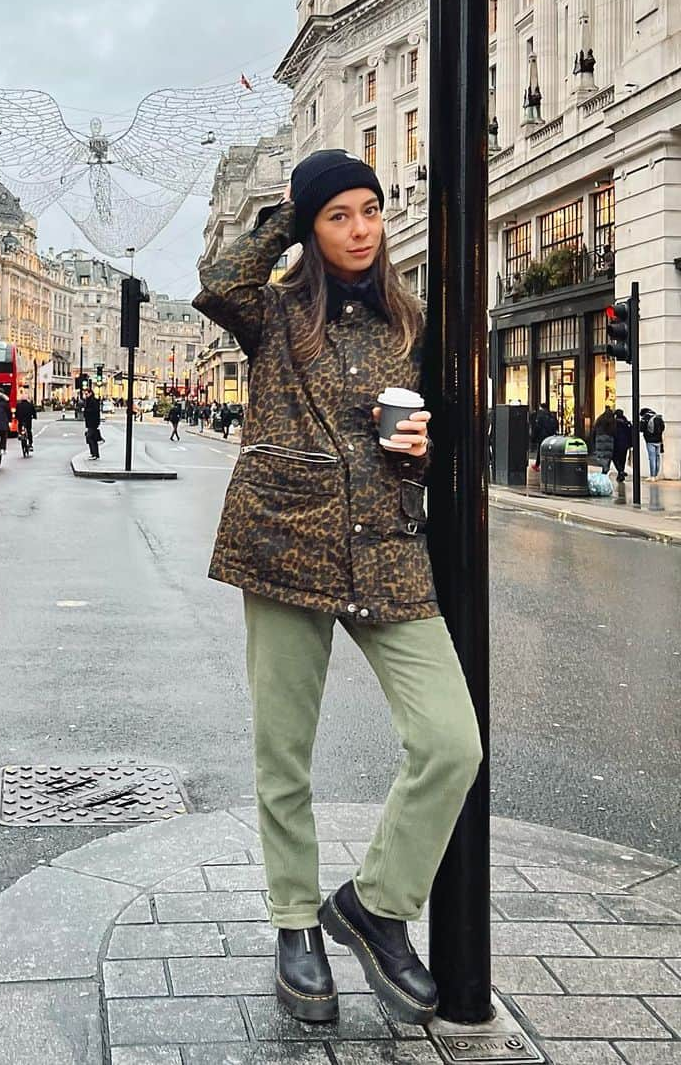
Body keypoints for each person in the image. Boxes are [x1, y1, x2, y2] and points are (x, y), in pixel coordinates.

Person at [194, 148, 481, 1028]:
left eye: (371, 211)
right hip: (284, 539)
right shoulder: (271, 312)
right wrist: (286, 210)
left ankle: (376, 904)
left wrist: (422, 448)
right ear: (314, 230)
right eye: (340, 215)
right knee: (285, 753)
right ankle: (294, 923)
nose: (361, 229)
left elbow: (430, 426)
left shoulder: (411, 319)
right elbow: (219, 274)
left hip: (387, 544)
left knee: (451, 742)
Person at [640, 407, 666, 479]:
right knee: (657, 457)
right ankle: (656, 475)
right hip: (658, 440)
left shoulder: (645, 418)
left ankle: (652, 476)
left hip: (650, 441)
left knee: (652, 458)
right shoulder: (658, 417)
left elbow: (641, 428)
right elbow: (663, 427)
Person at [532, 404, 559, 471]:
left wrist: (534, 437)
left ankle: (537, 465)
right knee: (550, 451)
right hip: (551, 436)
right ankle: (550, 465)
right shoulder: (552, 416)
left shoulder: (540, 416)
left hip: (542, 436)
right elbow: (556, 426)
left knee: (540, 450)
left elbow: (537, 428)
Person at [592, 406, 616, 477]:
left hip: (599, 438)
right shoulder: (612, 421)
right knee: (608, 456)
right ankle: (605, 469)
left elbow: (594, 430)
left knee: (601, 455)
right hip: (609, 439)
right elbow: (614, 431)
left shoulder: (600, 419)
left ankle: (603, 468)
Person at [612, 408, 633, 482]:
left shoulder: (614, 423)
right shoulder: (627, 422)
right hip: (625, 444)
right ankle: (621, 472)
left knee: (615, 458)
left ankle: (620, 471)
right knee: (622, 459)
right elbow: (630, 434)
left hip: (616, 444)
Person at [82, 389, 102, 459]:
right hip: (90, 422)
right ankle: (95, 454)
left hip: (93, 422)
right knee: (93, 438)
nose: (86, 395)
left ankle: (94, 454)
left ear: (90, 393)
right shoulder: (88, 401)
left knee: (89, 437)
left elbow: (95, 411)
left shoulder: (93, 401)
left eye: (87, 394)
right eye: (85, 394)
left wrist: (86, 411)